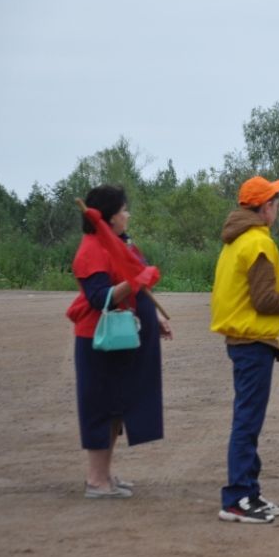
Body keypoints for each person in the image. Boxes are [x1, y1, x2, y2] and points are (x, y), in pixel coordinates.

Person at [211, 176, 279, 524]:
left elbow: (252, 299)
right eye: (274, 202)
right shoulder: (257, 243)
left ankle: (248, 493)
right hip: (252, 343)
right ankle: (238, 497)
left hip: (248, 339)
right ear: (264, 207)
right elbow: (264, 299)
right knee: (247, 421)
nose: (277, 207)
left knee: (249, 419)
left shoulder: (237, 240)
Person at [67, 185, 171, 499]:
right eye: (124, 210)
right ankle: (96, 480)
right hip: (99, 343)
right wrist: (136, 281)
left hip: (119, 340)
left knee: (116, 408)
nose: (128, 215)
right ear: (110, 218)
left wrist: (154, 316)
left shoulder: (114, 244)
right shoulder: (91, 250)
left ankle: (105, 475)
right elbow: (101, 299)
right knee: (101, 407)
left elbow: (130, 289)